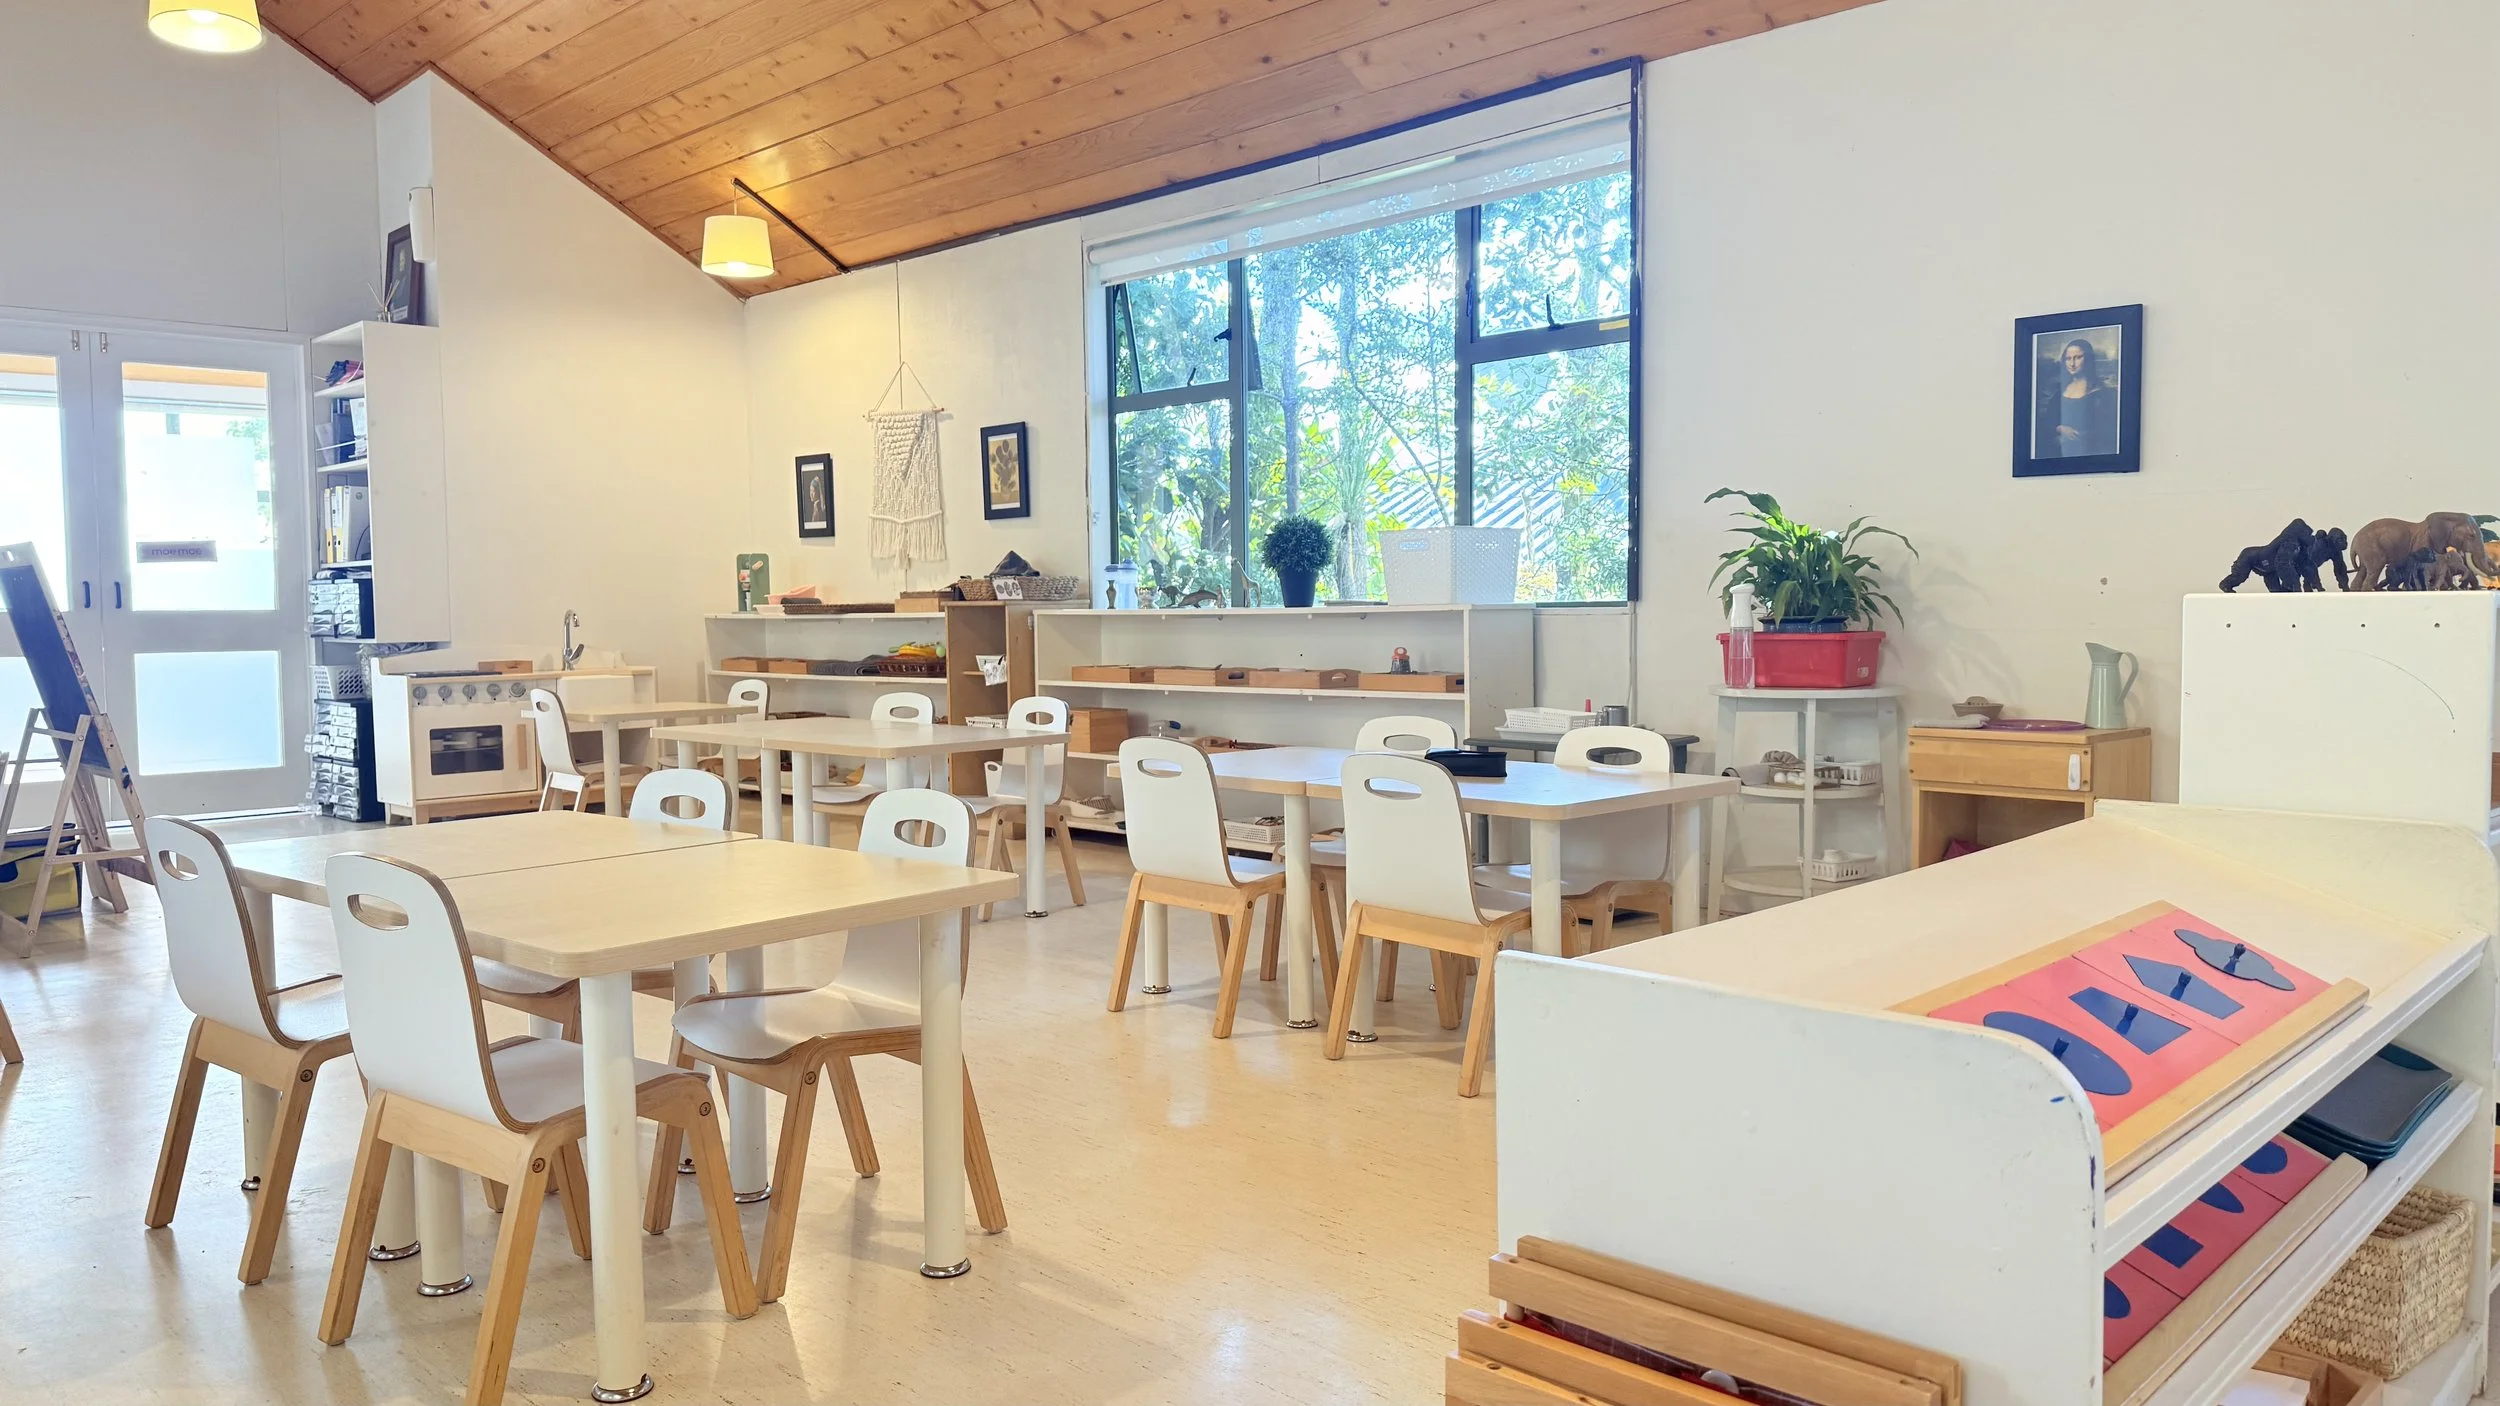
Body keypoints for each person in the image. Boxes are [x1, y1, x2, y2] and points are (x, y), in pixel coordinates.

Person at [2036, 336, 2117, 458]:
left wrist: (2076, 436)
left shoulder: (2103, 393)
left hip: (2089, 453)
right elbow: (2045, 422)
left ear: (2088, 359)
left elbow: (2106, 430)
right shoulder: (2059, 393)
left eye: (2078, 357)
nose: (2072, 364)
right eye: (2068, 359)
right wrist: (2060, 428)